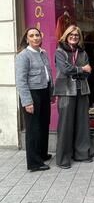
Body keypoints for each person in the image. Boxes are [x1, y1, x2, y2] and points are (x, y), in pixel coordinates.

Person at [15, 27, 54, 172]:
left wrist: (51, 93)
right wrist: (27, 102)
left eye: (37, 35)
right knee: (33, 129)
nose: (35, 37)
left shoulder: (43, 53)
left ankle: (42, 154)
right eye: (32, 36)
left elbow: (47, 74)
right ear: (27, 39)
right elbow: (21, 81)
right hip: (32, 95)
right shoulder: (23, 56)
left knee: (44, 125)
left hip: (44, 92)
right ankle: (34, 163)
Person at [54, 25, 92, 168]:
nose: (74, 37)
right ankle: (63, 159)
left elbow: (89, 72)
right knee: (65, 125)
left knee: (82, 124)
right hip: (66, 91)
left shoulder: (82, 52)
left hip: (82, 90)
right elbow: (64, 69)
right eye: (71, 34)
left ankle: (81, 154)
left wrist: (80, 71)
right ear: (66, 35)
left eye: (77, 35)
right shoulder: (60, 51)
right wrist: (81, 69)